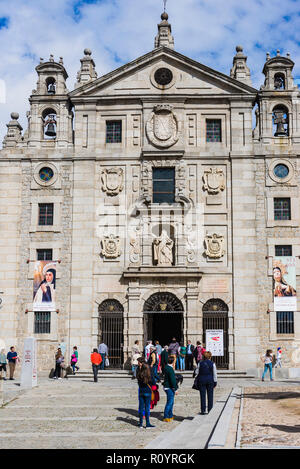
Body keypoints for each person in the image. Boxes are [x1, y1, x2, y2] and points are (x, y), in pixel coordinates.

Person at [195, 351, 217, 415]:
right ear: (210, 356)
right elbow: (215, 374)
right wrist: (215, 382)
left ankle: (203, 410)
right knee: (210, 395)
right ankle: (210, 409)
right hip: (210, 380)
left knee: (202, 395)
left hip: (201, 380)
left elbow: (196, 372)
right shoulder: (212, 363)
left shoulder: (200, 363)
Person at [136, 357, 155, 429]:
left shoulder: (138, 371)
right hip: (147, 390)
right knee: (147, 407)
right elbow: (152, 381)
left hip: (141, 390)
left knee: (141, 407)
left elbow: (138, 380)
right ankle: (147, 424)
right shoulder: (148, 370)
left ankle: (140, 423)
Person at [163, 355, 178, 422]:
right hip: (169, 387)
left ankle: (170, 415)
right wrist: (175, 389)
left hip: (166, 386)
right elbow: (172, 380)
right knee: (170, 402)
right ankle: (166, 416)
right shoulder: (170, 369)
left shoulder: (166, 367)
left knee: (171, 402)